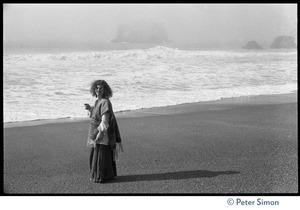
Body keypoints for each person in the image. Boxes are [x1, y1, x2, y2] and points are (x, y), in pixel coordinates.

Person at [84, 80, 123, 183]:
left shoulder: (105, 102)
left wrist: (100, 134)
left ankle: (101, 176)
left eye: (101, 88)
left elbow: (105, 120)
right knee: (99, 153)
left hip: (102, 133)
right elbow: (96, 114)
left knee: (100, 153)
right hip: (97, 131)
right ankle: (107, 175)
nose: (98, 90)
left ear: (105, 90)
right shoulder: (98, 101)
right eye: (96, 88)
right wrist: (90, 109)